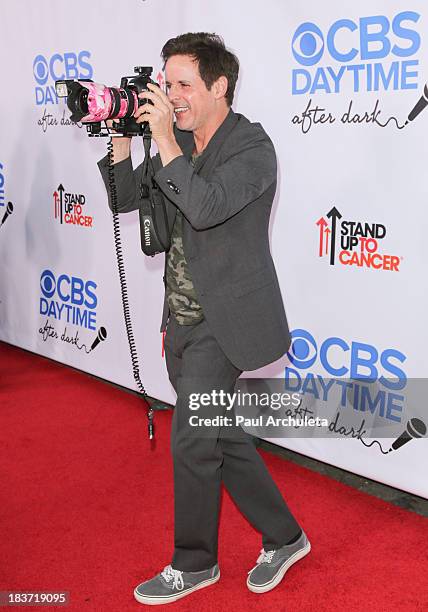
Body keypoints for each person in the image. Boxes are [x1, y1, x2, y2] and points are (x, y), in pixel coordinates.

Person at [98, 32, 310, 606]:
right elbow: (133, 209)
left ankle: (194, 564)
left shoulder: (253, 149)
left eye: (184, 84)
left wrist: (164, 138)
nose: (172, 95)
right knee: (218, 433)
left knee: (191, 439)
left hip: (228, 320)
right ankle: (286, 536)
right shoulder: (179, 143)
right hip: (183, 321)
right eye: (167, 85)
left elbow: (208, 206)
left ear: (220, 87)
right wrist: (123, 143)